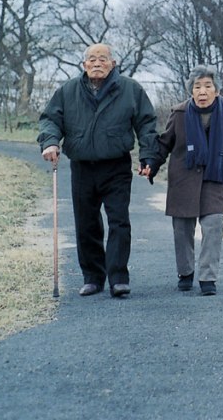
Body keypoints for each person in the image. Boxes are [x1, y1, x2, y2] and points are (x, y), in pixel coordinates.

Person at [38, 43, 158, 298]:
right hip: (82, 167)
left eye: (102, 59)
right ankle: (93, 278)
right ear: (83, 65)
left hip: (116, 166)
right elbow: (50, 119)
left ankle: (118, 278)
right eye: (91, 59)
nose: (96, 63)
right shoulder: (68, 91)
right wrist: (50, 142)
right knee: (86, 222)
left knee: (119, 222)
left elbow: (147, 124)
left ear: (112, 64)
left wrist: (148, 156)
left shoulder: (130, 89)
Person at [149, 64, 223, 296]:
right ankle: (185, 273)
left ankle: (207, 278)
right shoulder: (179, 113)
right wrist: (151, 165)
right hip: (183, 177)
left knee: (214, 225)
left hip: (216, 177)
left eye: (207, 86)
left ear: (217, 91)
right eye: (197, 87)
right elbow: (165, 143)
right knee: (182, 228)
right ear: (191, 91)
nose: (202, 91)